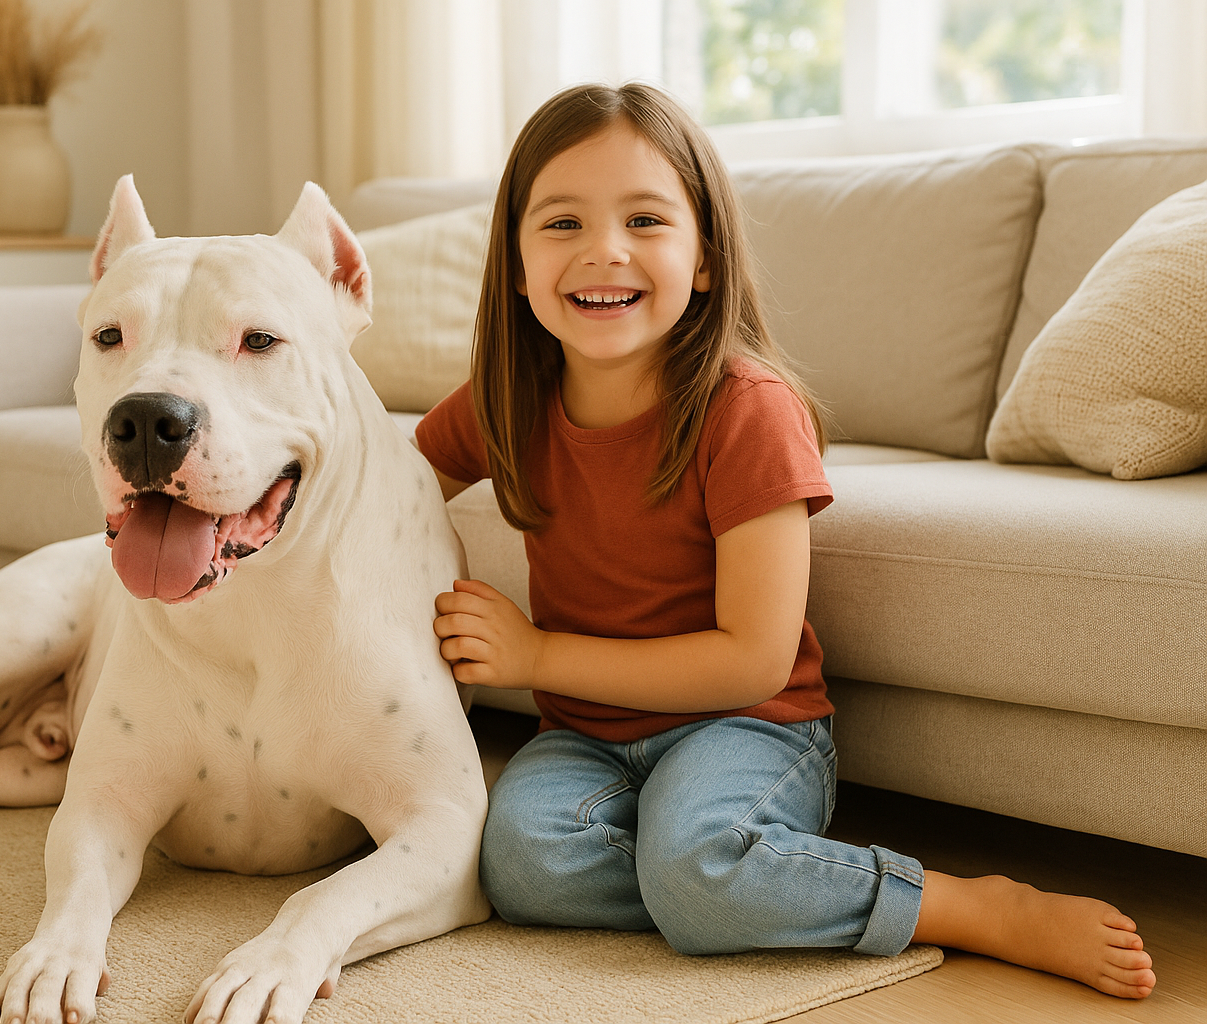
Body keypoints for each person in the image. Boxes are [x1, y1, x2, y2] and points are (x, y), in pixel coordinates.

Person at [414, 81, 1155, 1000]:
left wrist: (534, 653)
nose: (604, 250)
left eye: (646, 219)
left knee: (695, 870)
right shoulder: (505, 402)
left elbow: (753, 661)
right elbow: (382, 489)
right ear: (517, 266)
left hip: (748, 727)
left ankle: (964, 906)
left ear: (706, 261)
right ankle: (719, 883)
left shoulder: (746, 410)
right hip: (591, 738)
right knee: (522, 864)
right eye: (561, 224)